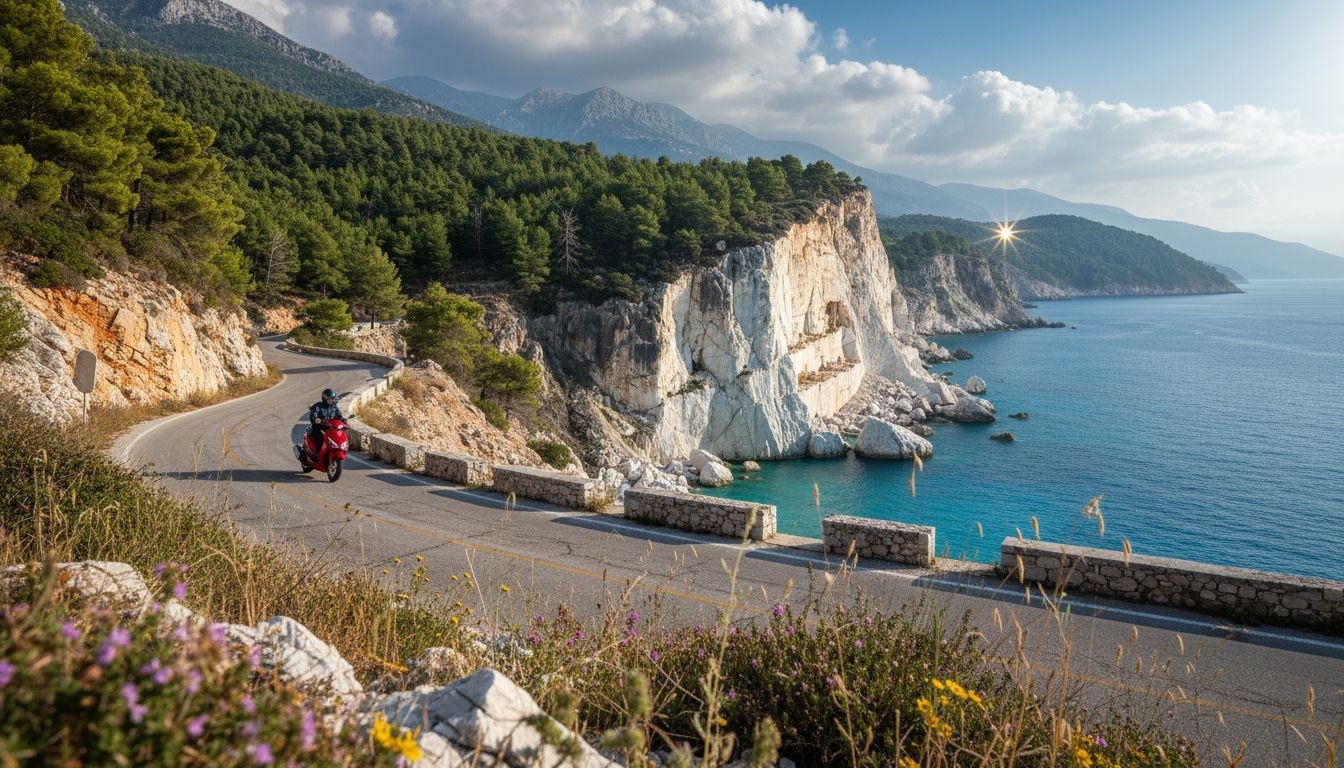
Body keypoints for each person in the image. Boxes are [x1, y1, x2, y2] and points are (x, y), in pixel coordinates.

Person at [305, 388, 343, 453]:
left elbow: (339, 416)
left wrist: (344, 420)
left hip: (331, 428)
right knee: (320, 438)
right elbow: (314, 416)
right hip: (320, 428)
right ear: (324, 399)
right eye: (329, 399)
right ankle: (318, 453)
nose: (331, 400)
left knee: (340, 436)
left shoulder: (334, 407)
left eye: (332, 398)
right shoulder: (318, 406)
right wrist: (317, 419)